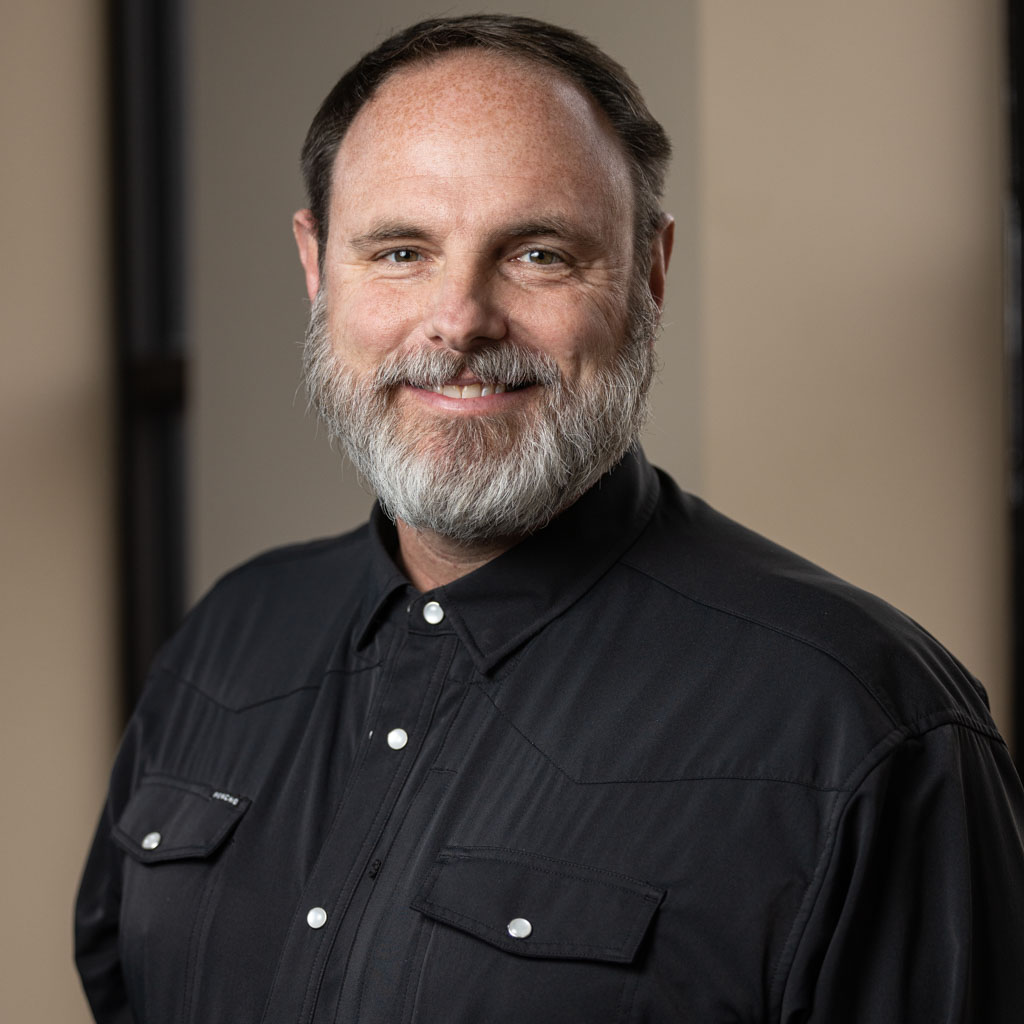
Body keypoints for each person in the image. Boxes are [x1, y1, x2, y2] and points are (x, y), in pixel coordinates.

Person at [76, 14, 1024, 1023]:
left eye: (537, 253)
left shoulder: (862, 726)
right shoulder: (227, 641)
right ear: (316, 268)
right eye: (399, 251)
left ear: (648, 275)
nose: (460, 320)